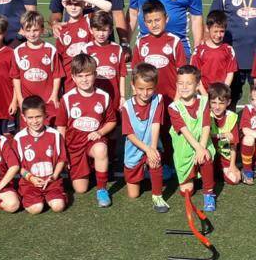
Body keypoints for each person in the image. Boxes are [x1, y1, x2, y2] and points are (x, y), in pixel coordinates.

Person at [57, 54, 117, 207]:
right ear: (73, 77)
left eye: (88, 75)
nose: (84, 79)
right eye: (80, 76)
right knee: (81, 189)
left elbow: (112, 121)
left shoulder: (103, 96)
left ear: (95, 75)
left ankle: (102, 189)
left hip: (93, 142)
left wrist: (100, 132)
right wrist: (62, 154)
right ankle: (89, 168)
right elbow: (61, 128)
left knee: (101, 148)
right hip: (74, 146)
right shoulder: (67, 98)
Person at [120, 63, 168, 212]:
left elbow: (155, 124)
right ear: (133, 86)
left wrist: (152, 148)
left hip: (151, 146)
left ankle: (157, 196)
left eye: (149, 89)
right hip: (135, 150)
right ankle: (144, 171)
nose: (145, 93)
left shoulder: (158, 100)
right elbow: (130, 135)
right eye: (141, 89)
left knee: (155, 159)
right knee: (133, 195)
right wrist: (147, 149)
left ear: (155, 87)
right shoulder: (127, 107)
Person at [168, 65, 216, 211]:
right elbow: (184, 130)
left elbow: (206, 125)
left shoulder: (204, 101)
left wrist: (202, 148)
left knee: (206, 157)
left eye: (189, 83)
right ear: (176, 85)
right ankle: (192, 176)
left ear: (197, 85)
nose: (184, 87)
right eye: (181, 83)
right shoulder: (173, 107)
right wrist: (197, 148)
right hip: (185, 152)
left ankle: (209, 194)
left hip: (201, 145)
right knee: (186, 191)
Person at [14, 96, 68, 215]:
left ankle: (59, 195)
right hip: (30, 184)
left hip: (52, 182)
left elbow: (61, 159)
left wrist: (54, 176)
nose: (34, 121)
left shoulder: (54, 135)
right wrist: (30, 178)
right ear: (23, 117)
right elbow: (17, 166)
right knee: (36, 209)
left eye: (38, 116)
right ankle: (32, 198)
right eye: (30, 118)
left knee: (58, 207)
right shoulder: (19, 138)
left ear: (45, 115)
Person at [55, 0, 112, 92]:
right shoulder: (61, 29)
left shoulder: (89, 19)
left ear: (84, 3)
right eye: (70, 3)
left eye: (77, 3)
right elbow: (59, 63)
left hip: (91, 80)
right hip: (70, 82)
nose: (73, 7)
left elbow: (108, 7)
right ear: (64, 4)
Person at [12, 11, 64, 125]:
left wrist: (54, 95)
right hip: (27, 103)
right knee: (28, 133)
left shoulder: (51, 50)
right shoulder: (18, 51)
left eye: (35, 30)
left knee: (48, 133)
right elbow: (16, 77)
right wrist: (19, 99)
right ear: (23, 31)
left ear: (42, 29)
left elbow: (57, 75)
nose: (32, 34)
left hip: (47, 101)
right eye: (28, 30)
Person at [133, 0, 187, 103]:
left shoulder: (174, 41)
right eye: (149, 21)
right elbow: (135, 75)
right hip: (147, 99)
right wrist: (136, 96)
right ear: (144, 22)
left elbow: (182, 74)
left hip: (171, 98)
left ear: (166, 18)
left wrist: (178, 96)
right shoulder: (141, 42)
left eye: (157, 20)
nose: (154, 25)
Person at [82, 10, 127, 110]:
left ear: (110, 30)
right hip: (93, 98)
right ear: (91, 30)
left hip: (114, 98)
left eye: (104, 30)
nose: (101, 34)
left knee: (115, 123)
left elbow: (122, 75)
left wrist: (123, 97)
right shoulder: (86, 49)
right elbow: (83, 76)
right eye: (97, 30)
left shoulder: (117, 49)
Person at [190, 10, 238, 95]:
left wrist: (224, 90)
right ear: (208, 29)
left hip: (221, 95)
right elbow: (195, 74)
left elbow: (230, 73)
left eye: (222, 31)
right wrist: (203, 93)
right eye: (215, 31)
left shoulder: (228, 49)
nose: (219, 35)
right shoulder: (199, 50)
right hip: (203, 93)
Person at [207, 83, 241, 186]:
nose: (217, 107)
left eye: (221, 103)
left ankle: (229, 169)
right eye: (213, 102)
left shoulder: (232, 117)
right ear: (209, 102)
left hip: (225, 157)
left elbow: (233, 145)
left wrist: (232, 165)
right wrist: (221, 135)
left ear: (228, 102)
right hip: (209, 157)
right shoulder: (206, 115)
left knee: (234, 179)